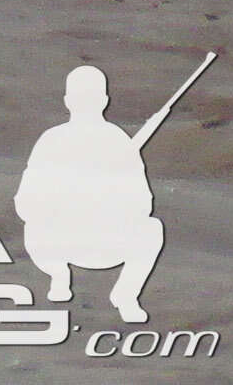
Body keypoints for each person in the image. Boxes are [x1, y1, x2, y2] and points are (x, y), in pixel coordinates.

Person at [17, 64, 169, 325]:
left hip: (78, 243)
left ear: (68, 101)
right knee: (151, 229)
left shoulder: (57, 139)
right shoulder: (112, 140)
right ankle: (68, 278)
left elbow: (24, 202)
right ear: (104, 101)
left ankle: (111, 291)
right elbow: (144, 204)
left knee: (151, 228)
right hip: (84, 242)